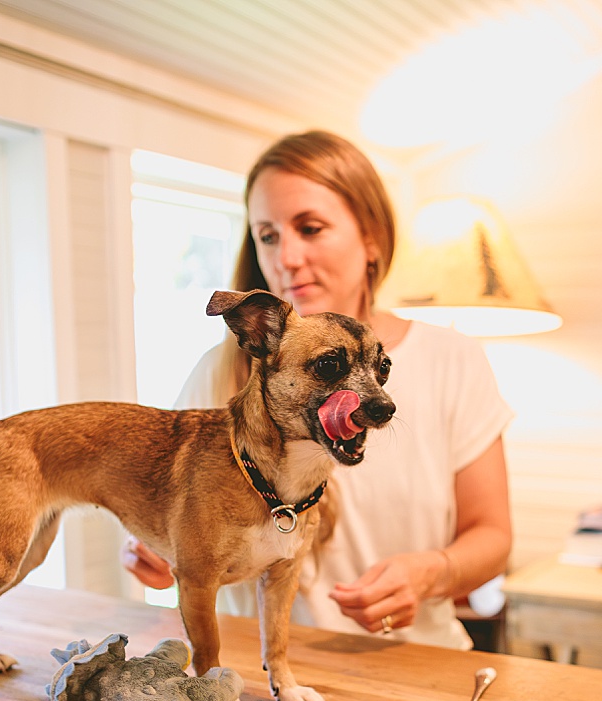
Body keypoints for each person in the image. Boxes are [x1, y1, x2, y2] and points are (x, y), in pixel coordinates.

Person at [122, 130, 512, 649]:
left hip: (413, 663)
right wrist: (155, 548)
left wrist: (432, 573)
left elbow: (494, 536)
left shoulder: (452, 360)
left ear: (371, 236)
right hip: (252, 680)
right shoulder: (219, 373)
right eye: (267, 235)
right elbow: (175, 517)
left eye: (310, 228)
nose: (286, 257)